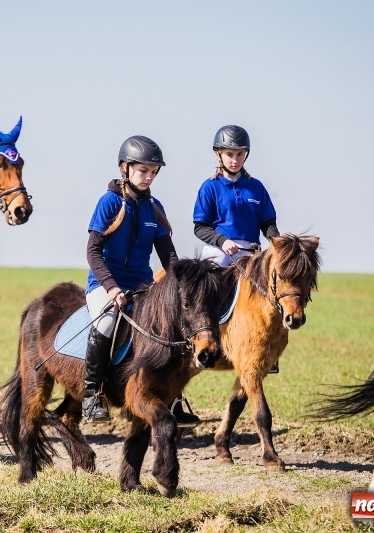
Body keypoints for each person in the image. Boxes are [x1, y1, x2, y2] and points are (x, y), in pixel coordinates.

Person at [82, 135, 178, 423]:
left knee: (171, 325)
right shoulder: (109, 202)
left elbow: (168, 255)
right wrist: (110, 288)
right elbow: (93, 251)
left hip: (142, 286)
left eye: (153, 172)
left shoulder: (155, 207)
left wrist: (178, 283)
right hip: (104, 284)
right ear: (125, 168)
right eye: (143, 171)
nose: (149, 177)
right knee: (107, 322)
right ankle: (91, 394)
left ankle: (174, 398)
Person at [192, 124, 281, 373]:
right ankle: (207, 339)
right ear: (218, 155)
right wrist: (222, 241)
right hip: (220, 250)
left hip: (252, 251)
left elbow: (268, 223)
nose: (235, 159)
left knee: (274, 290)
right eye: (230, 154)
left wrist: (278, 245)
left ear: (246, 155)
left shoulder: (256, 187)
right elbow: (200, 227)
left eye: (240, 154)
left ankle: (270, 351)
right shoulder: (209, 187)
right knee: (209, 290)